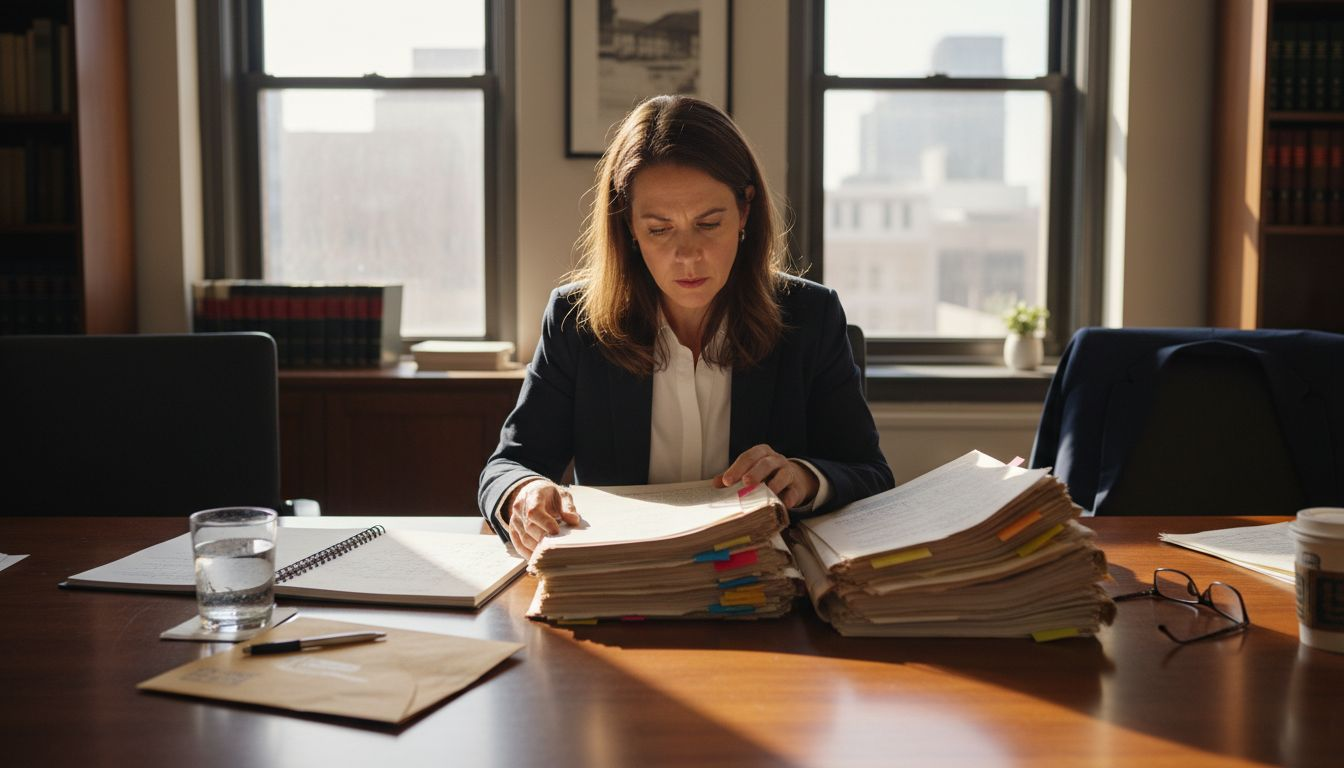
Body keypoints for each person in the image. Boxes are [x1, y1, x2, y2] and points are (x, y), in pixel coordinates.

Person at [479, 94, 893, 556]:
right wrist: (523, 494)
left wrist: (803, 477)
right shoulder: (575, 320)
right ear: (628, 227)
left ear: (744, 212)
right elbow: (511, 466)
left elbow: (869, 473)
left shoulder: (811, 315)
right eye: (659, 229)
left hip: (761, 588)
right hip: (622, 583)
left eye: (708, 223)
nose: (688, 255)